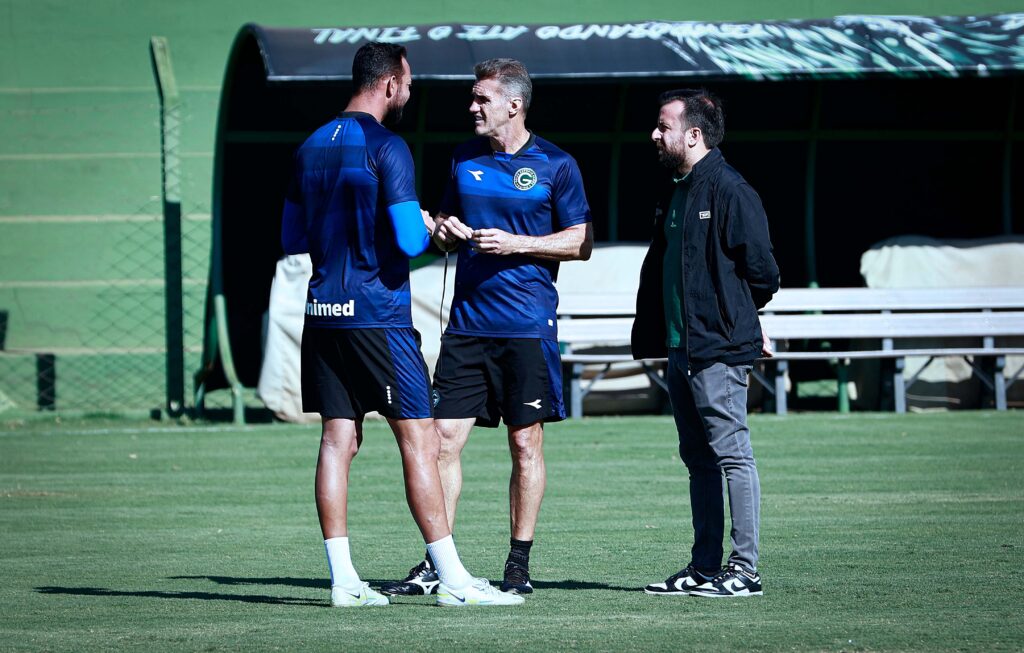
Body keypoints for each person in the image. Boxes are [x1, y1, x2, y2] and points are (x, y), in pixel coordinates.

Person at [281, 42, 522, 608]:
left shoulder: (309, 145)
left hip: (322, 314)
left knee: (337, 440)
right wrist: (433, 227)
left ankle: (344, 582)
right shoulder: (387, 146)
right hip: (378, 317)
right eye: (408, 85)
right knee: (420, 439)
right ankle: (454, 582)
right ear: (390, 84)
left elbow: (292, 237)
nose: (409, 94)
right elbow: (412, 240)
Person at [381, 58, 593, 597]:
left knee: (525, 444)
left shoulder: (557, 164)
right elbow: (445, 230)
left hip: (527, 326)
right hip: (467, 327)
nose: (472, 106)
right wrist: (445, 232)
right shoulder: (463, 157)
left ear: (514, 105)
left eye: (482, 98)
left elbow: (581, 241)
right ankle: (439, 563)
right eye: (473, 97)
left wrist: (517, 243)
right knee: (441, 442)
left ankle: (518, 562)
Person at [632, 89, 779, 598]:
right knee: (698, 459)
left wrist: (736, 320)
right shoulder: (678, 189)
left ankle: (745, 570)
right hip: (682, 351)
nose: (655, 134)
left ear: (693, 135)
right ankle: (705, 567)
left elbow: (763, 274)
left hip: (718, 350)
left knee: (732, 455)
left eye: (664, 126)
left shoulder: (731, 190)